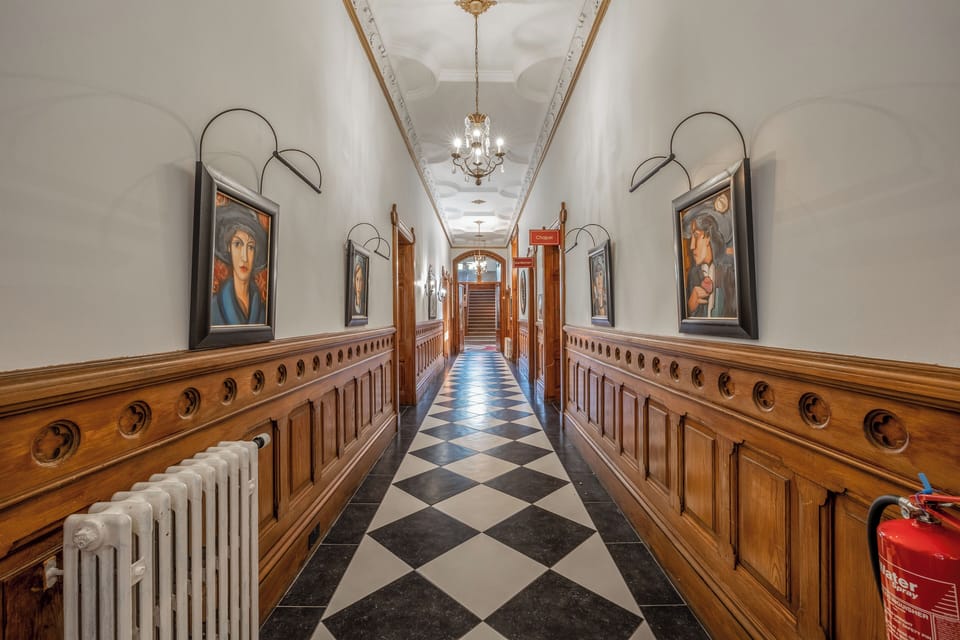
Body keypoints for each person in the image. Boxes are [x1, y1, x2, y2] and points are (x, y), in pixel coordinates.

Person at [211, 202, 268, 325]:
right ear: (229, 247)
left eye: (251, 247)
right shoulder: (212, 308)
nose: (244, 257)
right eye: (237, 244)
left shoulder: (264, 314)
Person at [685, 209, 736, 318]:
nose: (692, 246)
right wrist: (690, 307)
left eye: (696, 236)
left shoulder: (729, 272)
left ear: (709, 237)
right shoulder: (692, 275)